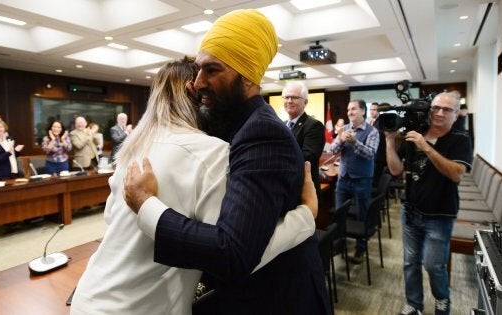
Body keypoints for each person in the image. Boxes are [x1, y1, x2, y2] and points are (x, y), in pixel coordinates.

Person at [71, 57, 318, 315]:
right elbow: (238, 255)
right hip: (141, 307)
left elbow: (112, 218)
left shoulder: (134, 149)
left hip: (90, 295)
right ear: (194, 92)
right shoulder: (210, 154)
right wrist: (305, 216)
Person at [123, 9, 330, 314]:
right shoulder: (235, 119)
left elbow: (232, 253)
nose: (198, 82)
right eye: (197, 71)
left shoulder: (262, 133)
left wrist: (146, 204)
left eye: (212, 71)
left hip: (277, 297)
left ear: (246, 76)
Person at [385, 92, 472, 315]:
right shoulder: (416, 134)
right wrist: (389, 141)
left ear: (456, 114)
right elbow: (395, 170)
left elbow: (456, 174)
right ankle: (414, 305)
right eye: (436, 108)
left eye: (447, 109)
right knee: (409, 263)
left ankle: (442, 300)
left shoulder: (460, 139)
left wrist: (426, 147)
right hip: (410, 211)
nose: (439, 113)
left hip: (440, 214)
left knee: (433, 266)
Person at [331, 99, 379, 264]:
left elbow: (370, 154)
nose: (350, 112)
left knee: (361, 215)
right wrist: (341, 140)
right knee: (339, 214)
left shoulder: (372, 132)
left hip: (362, 180)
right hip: (343, 179)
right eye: (348, 109)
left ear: (363, 112)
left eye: (353, 109)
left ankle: (360, 248)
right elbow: (333, 149)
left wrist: (354, 141)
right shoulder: (343, 129)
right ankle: (339, 243)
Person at [282, 81, 325, 193]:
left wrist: (278, 156)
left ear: (305, 102)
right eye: (286, 97)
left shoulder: (314, 125)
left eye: (294, 97)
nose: (289, 101)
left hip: (304, 190)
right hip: (284, 187)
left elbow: (308, 157)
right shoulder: (281, 124)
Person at [371, 102, 387, 186]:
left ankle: (374, 198)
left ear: (378, 111)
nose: (371, 111)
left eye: (374, 110)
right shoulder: (373, 122)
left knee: (375, 182)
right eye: (370, 109)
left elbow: (380, 136)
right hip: (374, 156)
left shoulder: (381, 121)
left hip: (379, 156)